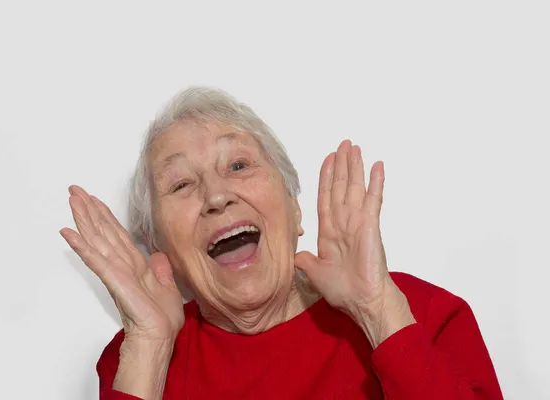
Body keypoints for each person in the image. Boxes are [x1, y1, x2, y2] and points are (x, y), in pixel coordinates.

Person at [60, 87, 503, 400]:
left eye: (237, 165)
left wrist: (377, 309)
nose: (216, 196)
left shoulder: (419, 314)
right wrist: (149, 346)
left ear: (294, 207)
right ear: (162, 252)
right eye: (180, 185)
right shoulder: (136, 360)